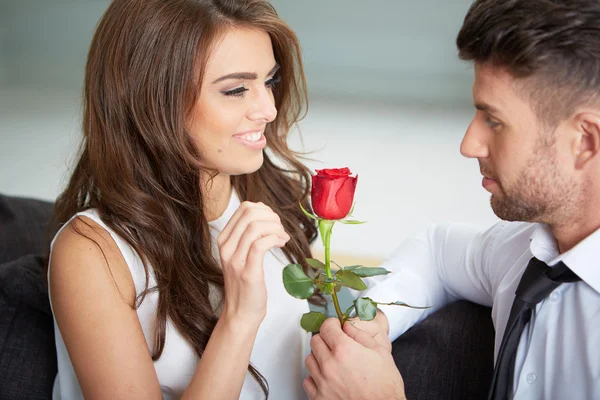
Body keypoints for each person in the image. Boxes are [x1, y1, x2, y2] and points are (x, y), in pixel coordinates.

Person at [304, 0, 600, 399]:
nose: (469, 144)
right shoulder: (529, 253)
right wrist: (371, 324)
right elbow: (436, 250)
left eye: (494, 121)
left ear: (585, 141)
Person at [47, 0, 318, 398]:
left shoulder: (272, 195)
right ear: (151, 101)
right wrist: (239, 318)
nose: (269, 109)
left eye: (270, 82)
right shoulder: (93, 254)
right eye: (237, 89)